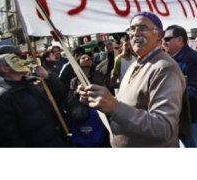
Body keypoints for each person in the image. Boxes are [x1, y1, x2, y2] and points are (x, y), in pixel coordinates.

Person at [78, 11, 186, 147]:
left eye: (142, 28)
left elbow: (163, 127)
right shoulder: (135, 64)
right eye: (132, 29)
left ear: (159, 35)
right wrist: (100, 99)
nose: (135, 33)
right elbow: (130, 102)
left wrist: (113, 106)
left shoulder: (164, 68)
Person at [0, 53, 70, 147]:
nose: (22, 61)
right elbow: (10, 135)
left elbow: (60, 93)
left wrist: (48, 77)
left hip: (58, 139)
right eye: (15, 60)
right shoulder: (3, 96)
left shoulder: (35, 81)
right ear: (5, 69)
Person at [163, 25, 197, 147]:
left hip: (190, 118)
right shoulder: (173, 58)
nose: (163, 42)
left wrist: (168, 96)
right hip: (179, 117)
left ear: (179, 40)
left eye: (167, 39)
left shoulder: (192, 59)